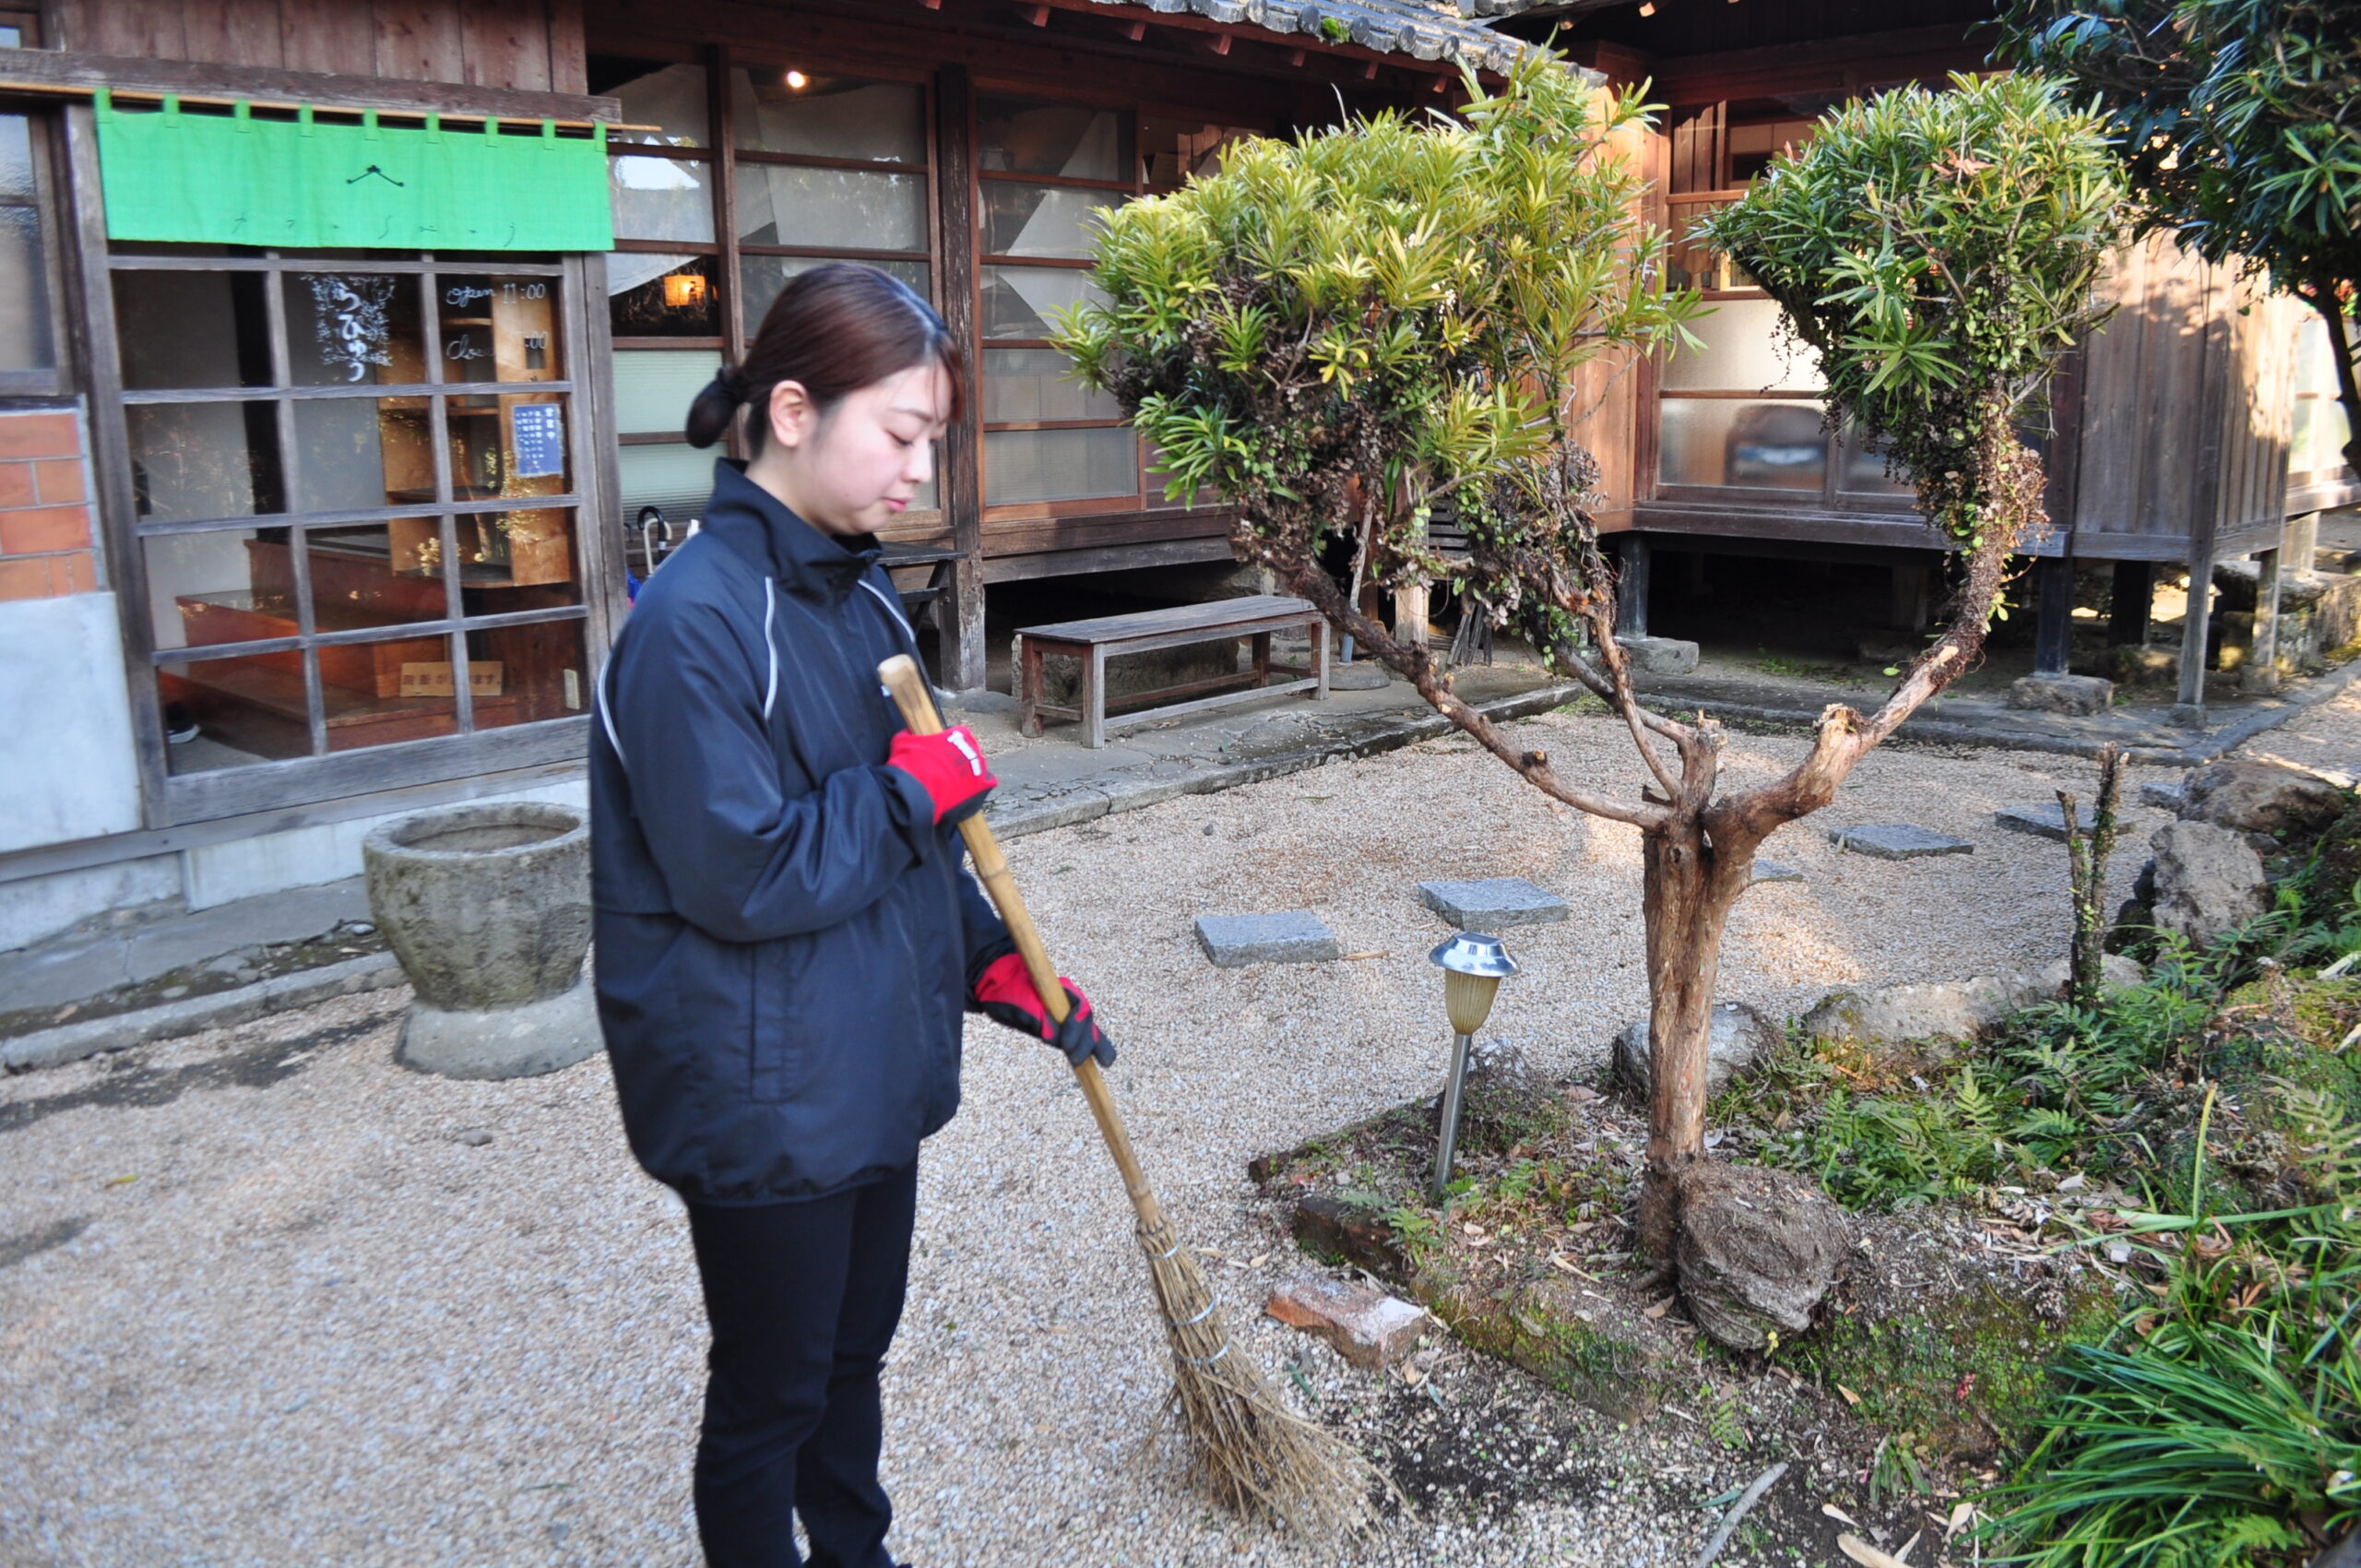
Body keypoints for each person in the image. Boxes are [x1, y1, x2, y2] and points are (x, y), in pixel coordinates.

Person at [588, 263, 1115, 1568]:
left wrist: (988, 964)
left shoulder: (862, 593)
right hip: (761, 1089)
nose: (915, 472)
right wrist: (905, 794)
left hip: (869, 1057)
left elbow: (921, 851)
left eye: (928, 440)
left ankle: (857, 1551)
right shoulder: (694, 626)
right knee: (771, 1394)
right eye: (899, 433)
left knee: (854, 1354)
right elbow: (742, 875)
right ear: (790, 411)